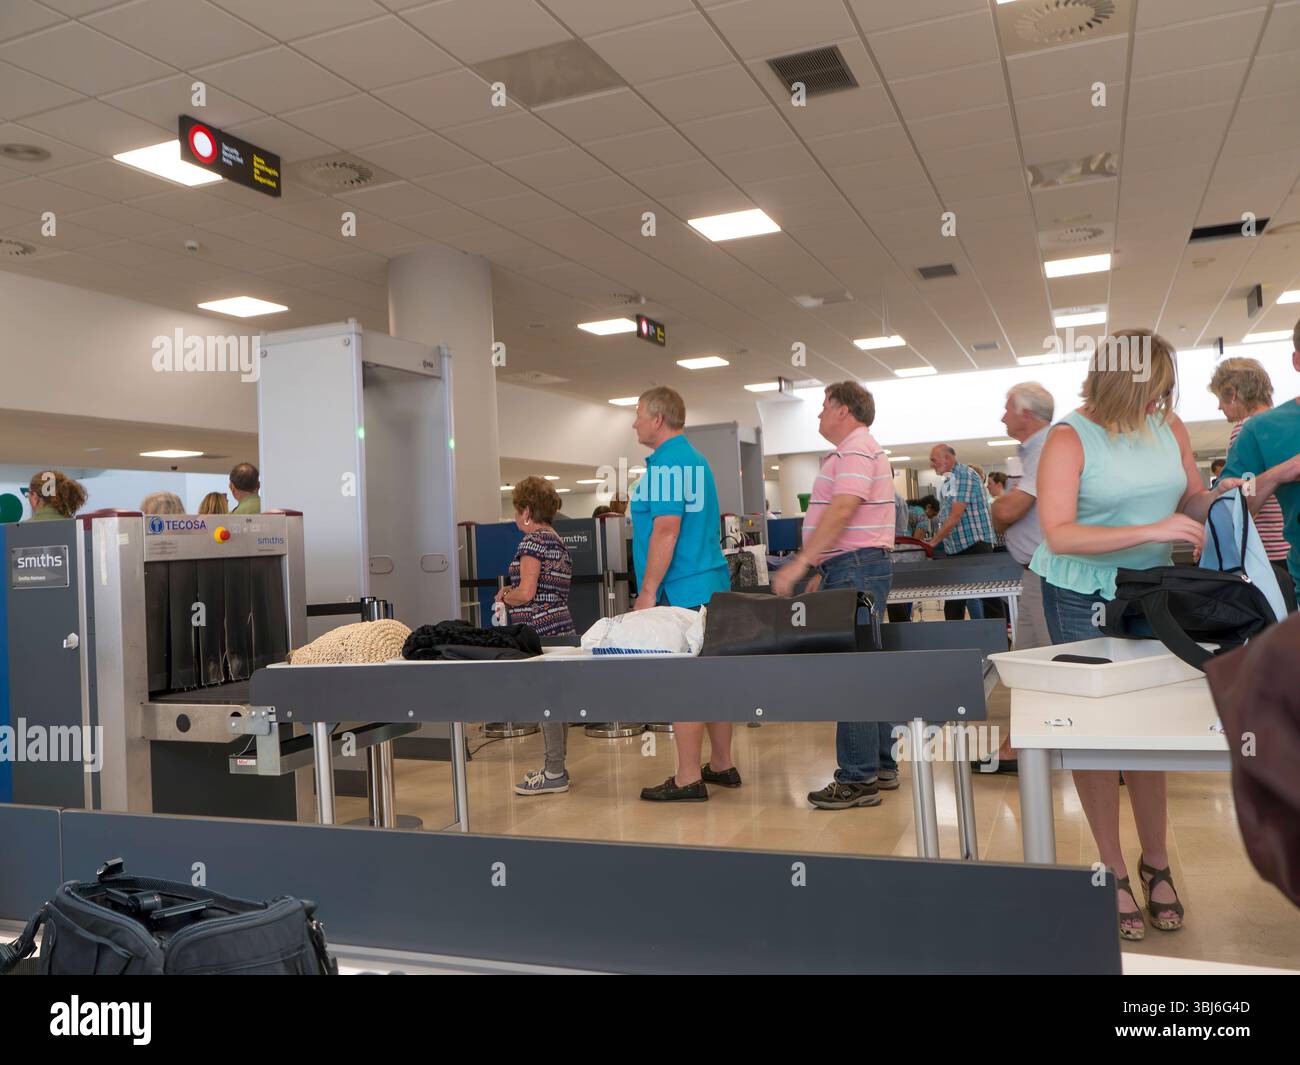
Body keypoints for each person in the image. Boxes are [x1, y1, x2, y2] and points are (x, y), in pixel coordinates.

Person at [1032, 329, 1236, 940]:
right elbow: (1059, 533)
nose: (1166, 399)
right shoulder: (1069, 438)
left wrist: (1213, 500)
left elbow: (1188, 496)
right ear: (1126, 380)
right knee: (1098, 737)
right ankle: (1112, 869)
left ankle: (1156, 861)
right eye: (1158, 387)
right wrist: (1155, 525)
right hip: (1079, 593)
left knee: (1147, 731)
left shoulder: (1167, 426)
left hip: (1153, 589)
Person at [771, 383, 899, 810]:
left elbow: (844, 508)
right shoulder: (857, 450)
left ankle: (857, 778)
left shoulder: (855, 449)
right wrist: (823, 569)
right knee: (866, 667)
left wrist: (801, 562)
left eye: (824, 407)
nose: (820, 415)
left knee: (852, 672)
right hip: (851, 567)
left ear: (844, 410)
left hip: (856, 567)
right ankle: (881, 764)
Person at [630, 387, 733, 803]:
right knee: (712, 679)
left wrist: (648, 592)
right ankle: (722, 764)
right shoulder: (695, 459)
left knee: (683, 680)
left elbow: (666, 530)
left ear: (657, 419)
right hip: (709, 584)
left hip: (682, 588)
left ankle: (688, 776)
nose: (634, 422)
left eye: (638, 414)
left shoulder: (670, 463)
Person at [984, 382, 1055, 772]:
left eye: (1007, 409)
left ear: (1026, 414)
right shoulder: (1027, 453)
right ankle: (1019, 746)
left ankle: (1111, 759)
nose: (1002, 416)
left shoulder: (1047, 447)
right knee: (1025, 663)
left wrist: (999, 507)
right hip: (1034, 573)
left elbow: (1010, 510)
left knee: (1057, 662)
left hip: (1053, 573)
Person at [500, 476, 577, 795]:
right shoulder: (557, 540)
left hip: (540, 630)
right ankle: (556, 765)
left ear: (528, 511)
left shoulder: (531, 542)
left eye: (517, 510)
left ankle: (554, 771)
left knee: (547, 703)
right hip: (562, 625)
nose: (516, 517)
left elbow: (528, 592)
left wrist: (506, 595)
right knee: (557, 702)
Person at [1210, 355, 1297, 611]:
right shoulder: (1280, 422)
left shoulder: (1245, 430)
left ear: (1233, 393)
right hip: (1287, 549)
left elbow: (1243, 494)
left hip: (1267, 555)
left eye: (1220, 398)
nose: (1219, 407)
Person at [928, 444, 1003, 620]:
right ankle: (956, 641)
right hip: (956, 548)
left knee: (988, 596)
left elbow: (955, 516)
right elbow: (947, 515)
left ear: (947, 458)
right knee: (954, 600)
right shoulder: (949, 480)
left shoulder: (964, 475)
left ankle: (998, 641)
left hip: (975, 545)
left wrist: (932, 543)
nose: (931, 464)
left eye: (934, 460)